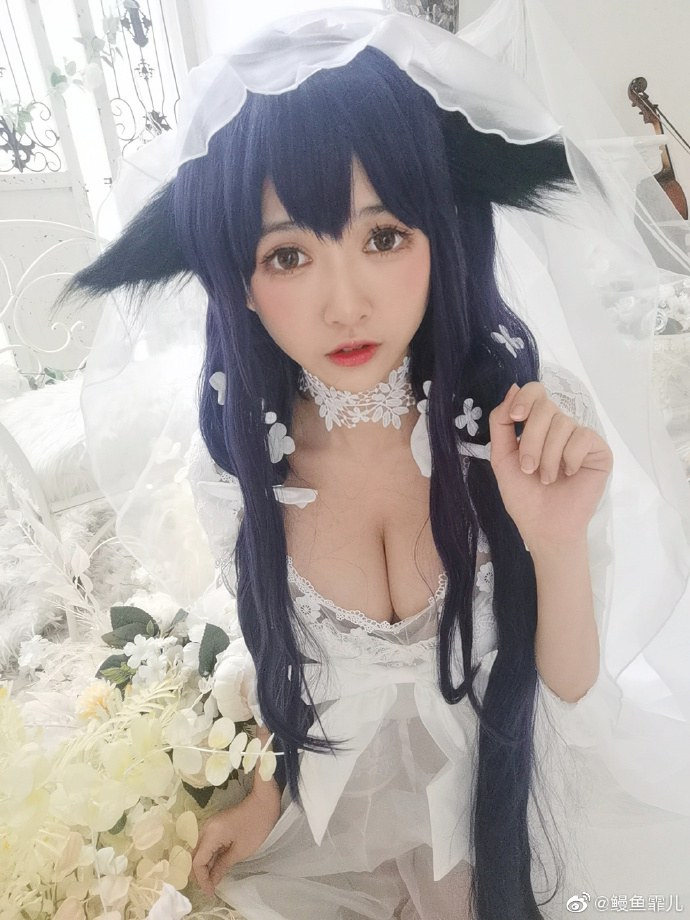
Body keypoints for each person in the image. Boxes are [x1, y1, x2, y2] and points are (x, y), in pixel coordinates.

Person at [63, 8, 690, 920]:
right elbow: (290, 665)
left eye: (384, 237)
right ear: (241, 283)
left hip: (522, 796)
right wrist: (266, 792)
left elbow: (567, 685)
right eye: (288, 255)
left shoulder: (522, 425)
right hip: (344, 809)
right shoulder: (240, 466)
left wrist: (554, 540)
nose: (345, 303)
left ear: (442, 235)